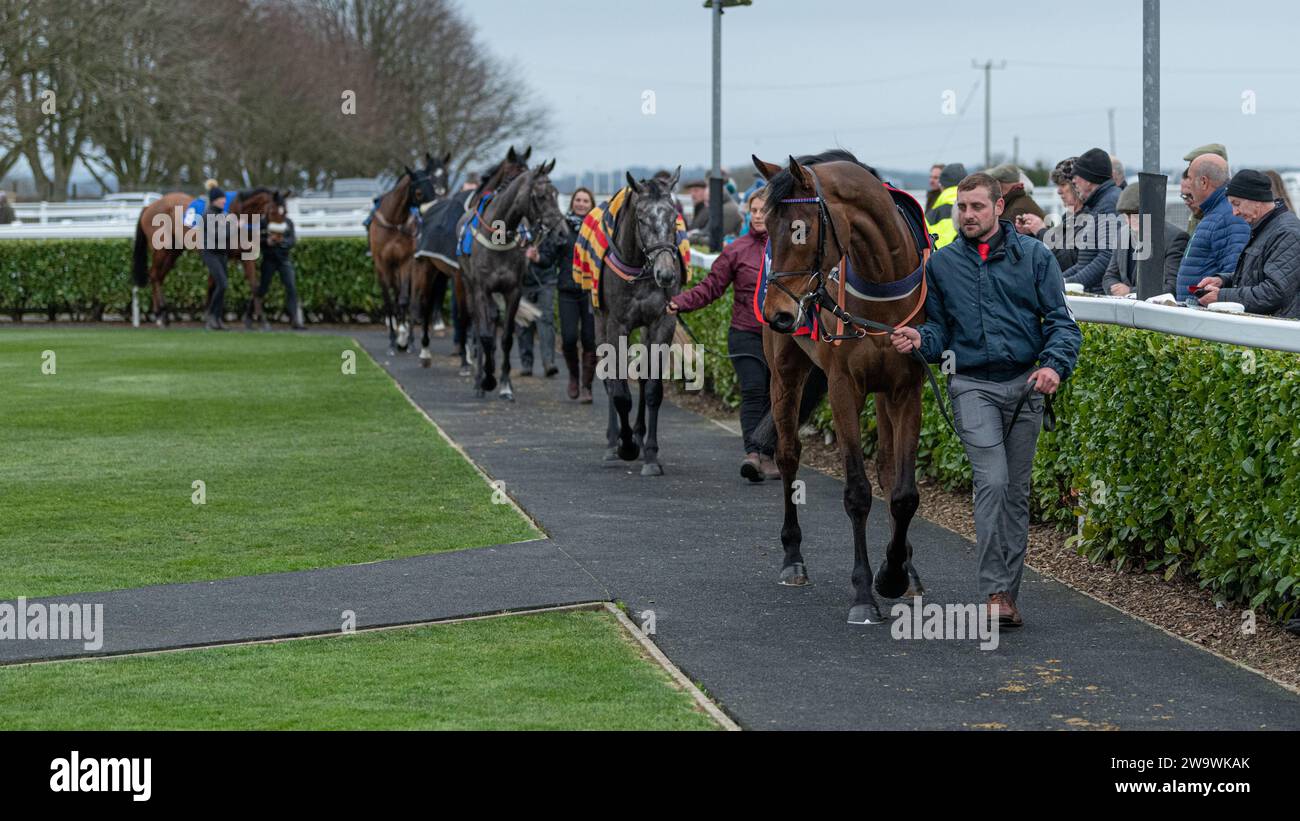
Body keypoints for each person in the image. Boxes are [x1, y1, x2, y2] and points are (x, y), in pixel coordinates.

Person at [890, 172, 1081, 628]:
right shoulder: (941, 266)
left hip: (1026, 385)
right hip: (972, 386)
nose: (968, 215)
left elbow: (1062, 322)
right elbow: (940, 333)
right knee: (992, 482)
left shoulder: (1035, 256)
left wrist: (1053, 364)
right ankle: (994, 590)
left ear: (999, 208)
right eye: (963, 207)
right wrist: (920, 337)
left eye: (977, 207)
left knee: (1016, 493)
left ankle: (1006, 595)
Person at [668, 187, 778, 482]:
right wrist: (680, 302)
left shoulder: (789, 249)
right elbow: (711, 288)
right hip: (745, 333)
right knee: (754, 390)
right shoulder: (737, 250)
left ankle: (769, 453)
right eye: (753, 210)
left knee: (778, 396)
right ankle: (753, 454)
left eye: (763, 210)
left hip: (783, 339)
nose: (757, 216)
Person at [1195, 169, 1300, 318]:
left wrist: (1222, 297)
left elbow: (1275, 292)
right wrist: (1223, 281)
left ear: (1256, 200)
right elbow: (1257, 274)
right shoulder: (1267, 227)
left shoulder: (1287, 233)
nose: (1234, 212)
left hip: (1277, 334)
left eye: (1237, 204)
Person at [1174, 153, 1250, 298]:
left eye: (1190, 178)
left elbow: (1233, 272)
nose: (1188, 185)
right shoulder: (1216, 212)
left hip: (1205, 314)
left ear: (1203, 182)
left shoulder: (1227, 216)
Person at [1101, 181, 1189, 297]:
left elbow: (1171, 287)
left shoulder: (1174, 238)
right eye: (1126, 215)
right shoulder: (1122, 234)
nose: (1130, 221)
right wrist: (1116, 289)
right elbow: (1109, 276)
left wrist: (1130, 292)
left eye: (1135, 215)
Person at [1061, 147, 1122, 294]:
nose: (1073, 181)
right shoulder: (1101, 203)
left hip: (1101, 295)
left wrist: (1068, 284)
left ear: (1089, 180)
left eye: (1077, 176)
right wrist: (1060, 280)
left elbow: (1106, 257)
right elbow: (1085, 262)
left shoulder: (1108, 204)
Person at [558, 187, 598, 402]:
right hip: (567, 290)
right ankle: (573, 375)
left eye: (585, 201)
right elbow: (549, 256)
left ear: (591, 205)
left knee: (590, 340)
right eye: (578, 200)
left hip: (590, 292)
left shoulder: (599, 230)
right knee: (569, 338)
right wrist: (537, 257)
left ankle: (587, 386)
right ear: (572, 202)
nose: (581, 204)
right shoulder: (562, 227)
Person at [183, 179, 233, 330]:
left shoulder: (222, 214)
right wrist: (235, 228)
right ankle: (211, 316)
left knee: (222, 285)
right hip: (210, 252)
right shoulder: (208, 214)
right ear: (214, 200)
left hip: (221, 253)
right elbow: (218, 235)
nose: (224, 200)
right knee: (222, 284)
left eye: (224, 198)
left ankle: (217, 319)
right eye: (221, 198)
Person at [258, 214, 304, 329]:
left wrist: (282, 241)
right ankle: (252, 314)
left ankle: (294, 319)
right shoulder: (263, 221)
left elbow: (292, 240)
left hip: (284, 259)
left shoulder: (288, 222)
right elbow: (256, 238)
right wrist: (267, 241)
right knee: (262, 288)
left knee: (291, 287)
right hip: (269, 259)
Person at [924, 162, 965, 248]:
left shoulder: (933, 214)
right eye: (931, 177)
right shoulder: (978, 211)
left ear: (941, 185)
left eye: (936, 178)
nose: (932, 181)